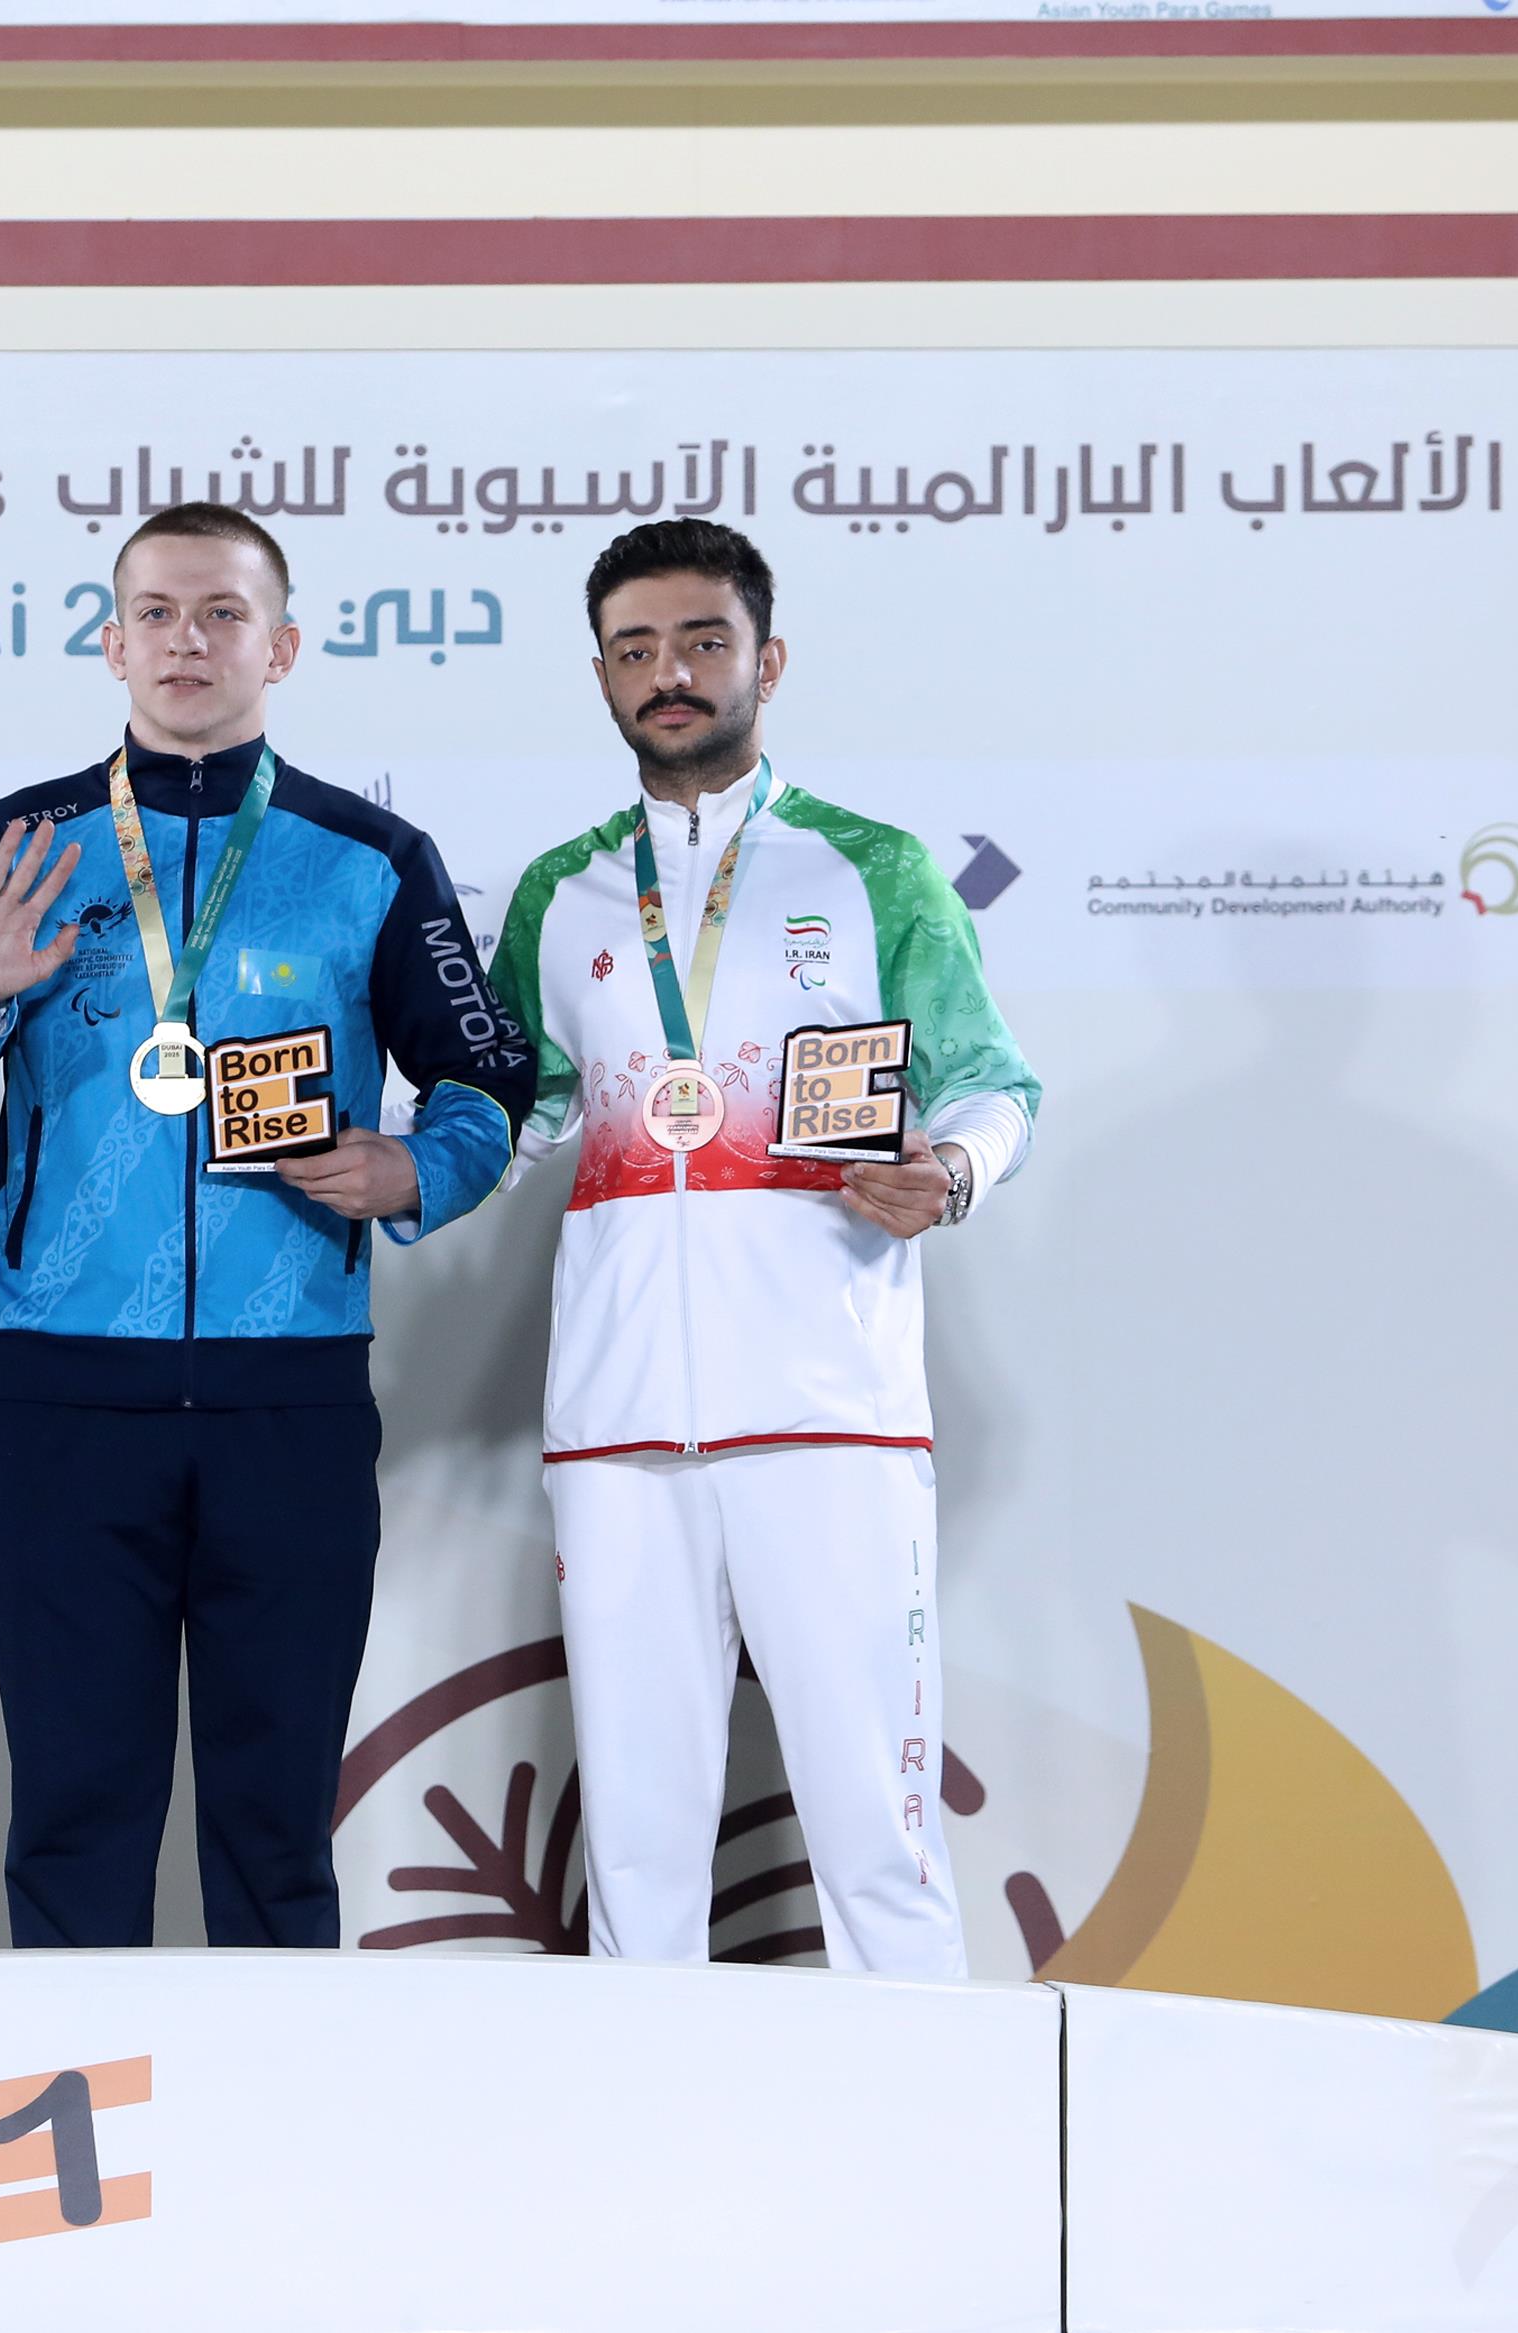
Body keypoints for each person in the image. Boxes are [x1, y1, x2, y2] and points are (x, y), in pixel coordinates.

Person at [0, 502, 534, 1949]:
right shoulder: (19, 846)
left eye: (224, 613)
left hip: (287, 1398)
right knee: (72, 1815)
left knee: (278, 1825)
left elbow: (490, 1074)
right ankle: (75, 2104)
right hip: (60, 1397)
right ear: (111, 642)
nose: (189, 641)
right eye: (158, 613)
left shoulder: (370, 854)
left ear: (280, 647)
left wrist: (419, 1171)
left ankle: (280, 2099)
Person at [486, 518, 1039, 1973]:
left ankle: (928, 2114)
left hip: (829, 1414)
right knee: (635, 1849)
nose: (669, 673)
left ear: (766, 661)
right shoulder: (559, 892)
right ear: (603, 675)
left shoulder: (876, 869)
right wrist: (394, 1166)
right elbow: (516, 1112)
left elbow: (993, 1084)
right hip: (618, 1431)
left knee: (877, 1836)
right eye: (636, 649)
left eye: (702, 641)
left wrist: (951, 1173)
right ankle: (645, 2120)